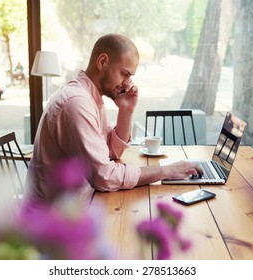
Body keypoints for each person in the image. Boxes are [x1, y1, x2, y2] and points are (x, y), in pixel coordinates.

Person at [24, 34, 203, 208]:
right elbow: (104, 176)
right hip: (51, 225)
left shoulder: (90, 97)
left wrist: (126, 110)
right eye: (124, 74)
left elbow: (111, 151)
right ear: (102, 62)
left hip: (78, 207)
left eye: (130, 76)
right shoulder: (77, 103)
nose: (127, 83)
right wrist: (166, 171)